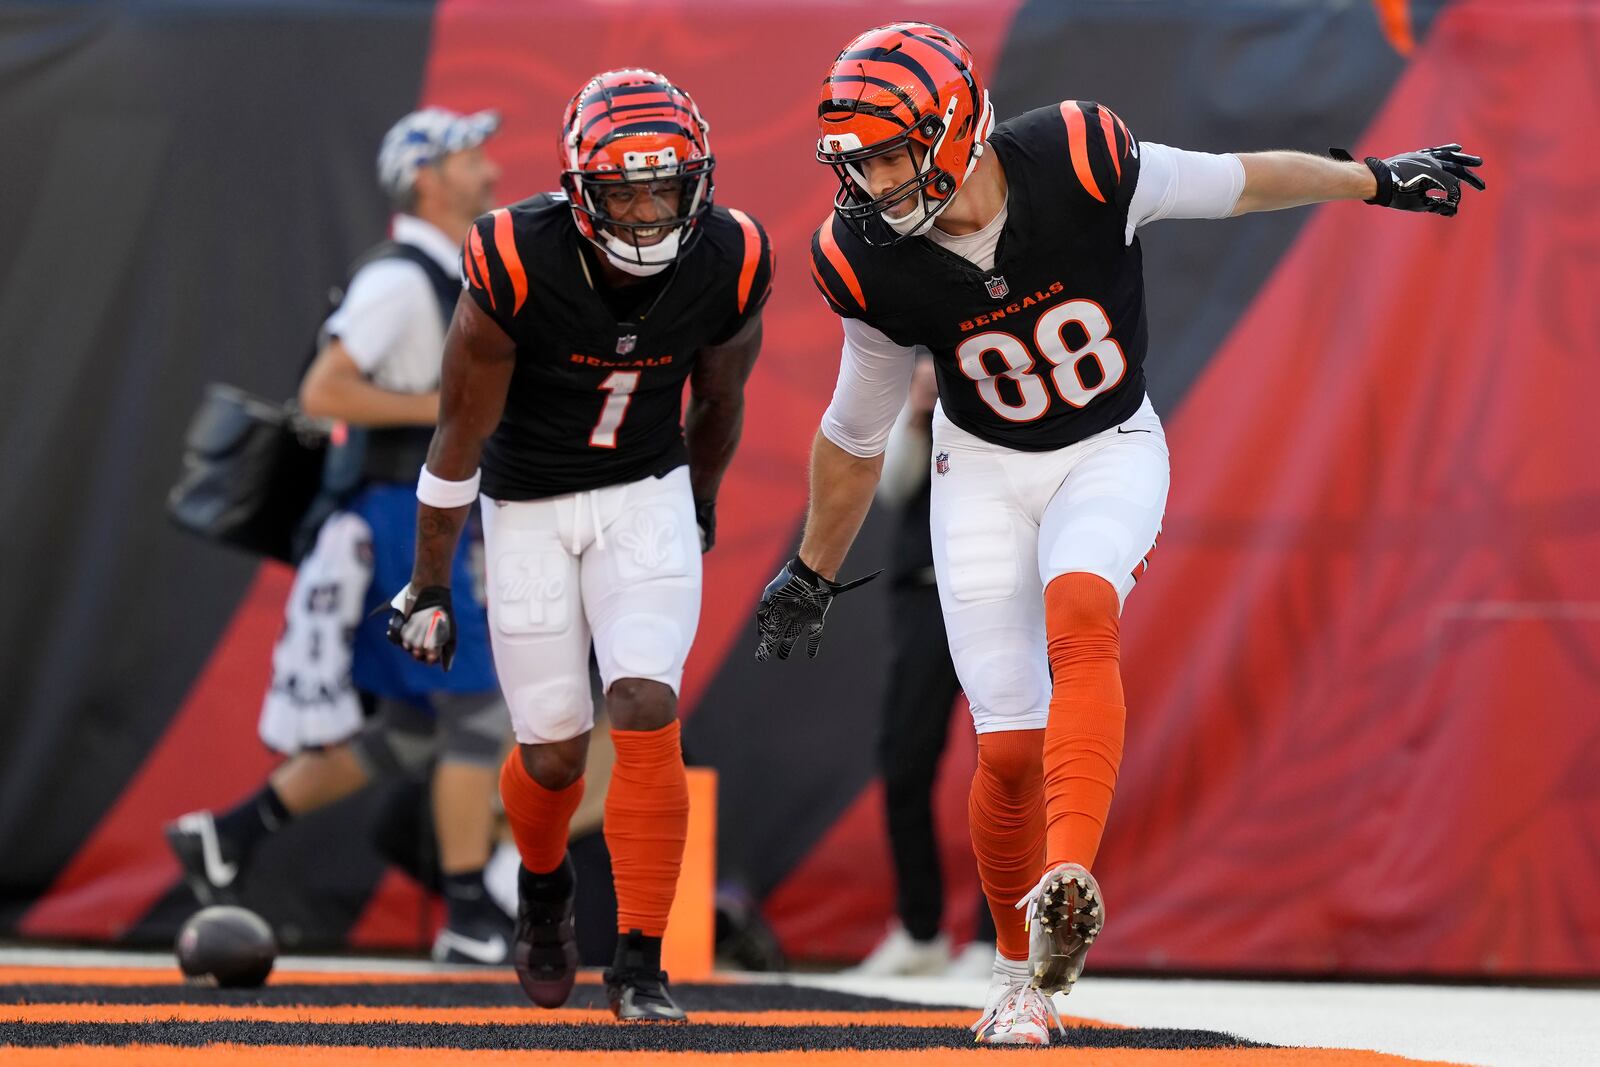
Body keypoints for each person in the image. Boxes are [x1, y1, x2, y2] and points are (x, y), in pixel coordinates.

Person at [754, 21, 1483, 1046]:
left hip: (1107, 444)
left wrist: (1370, 178)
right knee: (1005, 749)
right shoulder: (866, 257)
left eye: (886, 152)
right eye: (858, 160)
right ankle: (1018, 975)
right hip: (983, 471)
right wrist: (810, 569)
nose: (871, 182)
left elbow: (1236, 179)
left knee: (1082, 606)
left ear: (954, 126)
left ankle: (1067, 878)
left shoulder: (1079, 156)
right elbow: (855, 430)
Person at [385, 69, 771, 1022]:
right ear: (578, 190)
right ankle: (546, 888)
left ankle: (640, 961)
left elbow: (719, 400)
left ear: (699, 182)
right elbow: (458, 436)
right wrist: (427, 584)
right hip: (528, 504)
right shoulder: (517, 255)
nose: (647, 211)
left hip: (645, 488)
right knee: (553, 753)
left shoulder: (732, 255)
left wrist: (703, 500)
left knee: (642, 699)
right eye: (625, 189)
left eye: (665, 186)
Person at [166, 107, 517, 966]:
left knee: (410, 726)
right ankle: (472, 914)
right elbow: (326, 389)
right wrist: (450, 413)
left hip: (417, 510)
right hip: (399, 515)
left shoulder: (440, 272)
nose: (490, 170)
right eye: (470, 157)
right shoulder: (402, 280)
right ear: (425, 180)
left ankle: (230, 834)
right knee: (477, 711)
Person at [848, 356, 995, 978]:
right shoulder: (918, 408)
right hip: (926, 594)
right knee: (903, 759)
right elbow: (894, 489)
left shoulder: (1001, 390)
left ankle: (999, 937)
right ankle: (920, 927)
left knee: (1008, 758)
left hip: (996, 591)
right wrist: (916, 413)